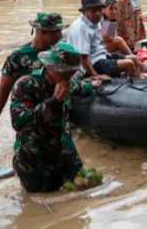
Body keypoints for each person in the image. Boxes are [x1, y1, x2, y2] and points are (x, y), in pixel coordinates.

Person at [10, 42, 100, 192]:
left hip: (64, 149)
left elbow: (80, 87)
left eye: (71, 73)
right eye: (64, 72)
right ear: (49, 66)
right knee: (42, 199)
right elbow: (19, 122)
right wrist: (53, 102)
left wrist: (94, 84)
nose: (68, 76)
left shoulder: (68, 82)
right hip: (35, 155)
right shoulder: (26, 85)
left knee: (83, 189)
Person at [0, 12, 64, 145]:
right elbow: (3, 90)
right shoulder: (18, 58)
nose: (60, 35)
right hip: (31, 120)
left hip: (56, 119)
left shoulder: (59, 53)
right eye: (56, 32)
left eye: (60, 31)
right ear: (42, 32)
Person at [66, 0, 139, 78]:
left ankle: (137, 78)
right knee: (128, 63)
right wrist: (96, 76)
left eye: (99, 10)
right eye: (111, 9)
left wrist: (112, 19)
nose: (97, 14)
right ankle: (135, 84)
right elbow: (83, 58)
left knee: (133, 58)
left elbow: (101, 42)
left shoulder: (97, 20)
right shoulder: (81, 28)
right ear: (85, 11)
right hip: (93, 63)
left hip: (101, 55)